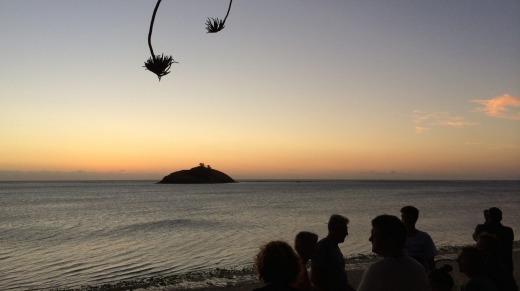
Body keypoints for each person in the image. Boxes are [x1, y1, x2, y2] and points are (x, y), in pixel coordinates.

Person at [357, 214, 427, 291]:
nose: (370, 239)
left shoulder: (377, 270)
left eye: (375, 235)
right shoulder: (418, 267)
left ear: (389, 240)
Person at [311, 214, 355, 291]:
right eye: (344, 230)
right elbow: (315, 277)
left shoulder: (335, 247)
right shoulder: (322, 247)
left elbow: (339, 279)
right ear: (334, 230)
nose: (347, 233)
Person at [472, 207, 514, 273]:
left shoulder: (481, 228)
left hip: (487, 267)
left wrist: (486, 221)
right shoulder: (508, 231)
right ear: (501, 218)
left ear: (488, 217)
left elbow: (475, 237)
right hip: (506, 265)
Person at [400, 205, 438, 272]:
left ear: (415, 218)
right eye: (403, 217)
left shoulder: (424, 237)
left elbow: (431, 260)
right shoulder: (397, 237)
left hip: (421, 273)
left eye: (407, 217)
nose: (404, 220)